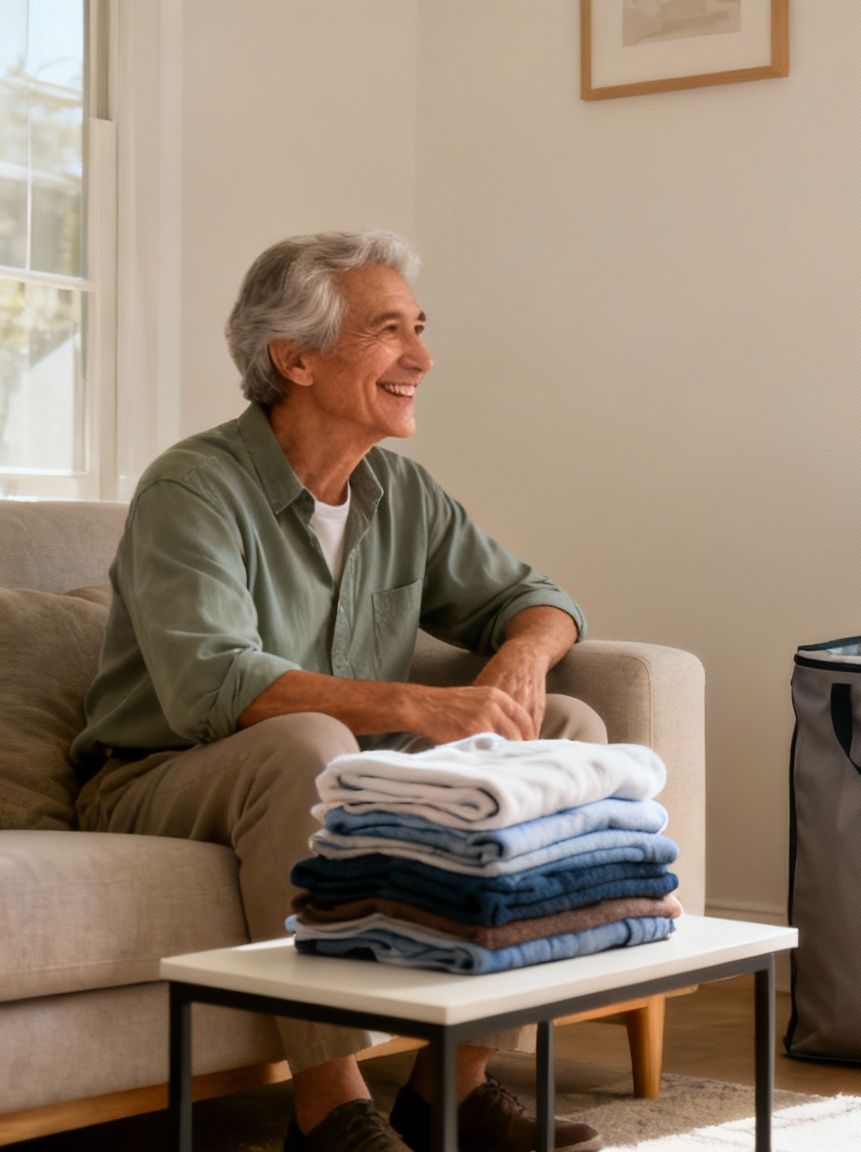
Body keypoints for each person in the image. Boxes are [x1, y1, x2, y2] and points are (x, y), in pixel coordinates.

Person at [71, 231, 605, 1152]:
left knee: (562, 724)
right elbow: (213, 685)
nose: (423, 359)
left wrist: (520, 661)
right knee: (305, 744)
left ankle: (452, 1088)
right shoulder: (192, 490)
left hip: (336, 764)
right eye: (389, 331)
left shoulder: (400, 493)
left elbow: (539, 599)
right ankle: (329, 1111)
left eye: (421, 329)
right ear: (297, 358)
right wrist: (420, 707)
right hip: (159, 777)